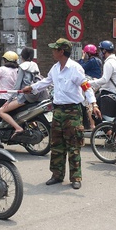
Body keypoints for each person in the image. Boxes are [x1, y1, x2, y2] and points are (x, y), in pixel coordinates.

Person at [22, 38, 98, 189]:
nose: (52, 52)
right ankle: (57, 175)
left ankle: (76, 177)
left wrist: (93, 103)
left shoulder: (75, 68)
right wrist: (32, 88)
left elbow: (86, 86)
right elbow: (46, 82)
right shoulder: (55, 68)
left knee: (73, 145)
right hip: (58, 110)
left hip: (72, 111)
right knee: (56, 144)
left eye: (54, 49)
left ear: (61, 51)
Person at [0, 47, 41, 134]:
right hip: (35, 96)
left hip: (23, 97)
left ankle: (18, 128)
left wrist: (9, 100)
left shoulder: (22, 67)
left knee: (1, 111)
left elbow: (17, 87)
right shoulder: (35, 65)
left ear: (22, 56)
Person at [89, 40, 116, 120]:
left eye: (101, 50)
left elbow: (105, 79)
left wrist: (91, 83)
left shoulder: (109, 62)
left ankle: (108, 132)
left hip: (107, 93)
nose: (100, 53)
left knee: (95, 113)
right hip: (115, 91)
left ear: (104, 51)